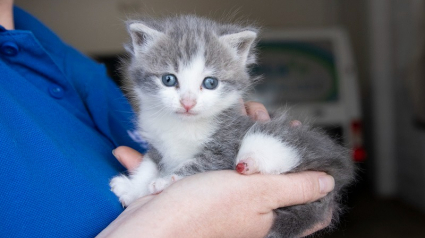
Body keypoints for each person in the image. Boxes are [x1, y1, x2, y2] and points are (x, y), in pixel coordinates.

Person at [0, 1, 334, 237]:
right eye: (170, 81)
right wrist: (168, 225)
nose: (188, 102)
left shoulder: (57, 52)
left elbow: (160, 154)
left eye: (209, 83)